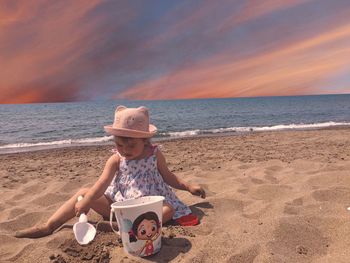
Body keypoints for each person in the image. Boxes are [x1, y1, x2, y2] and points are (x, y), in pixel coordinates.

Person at [15, 105, 206, 238]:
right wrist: (88, 200)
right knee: (83, 193)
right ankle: (49, 226)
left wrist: (188, 186)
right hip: (120, 206)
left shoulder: (154, 154)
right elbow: (101, 184)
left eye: (131, 145)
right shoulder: (116, 159)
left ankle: (125, 228)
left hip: (149, 207)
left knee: (169, 210)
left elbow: (169, 177)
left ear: (144, 141)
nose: (125, 149)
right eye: (120, 144)